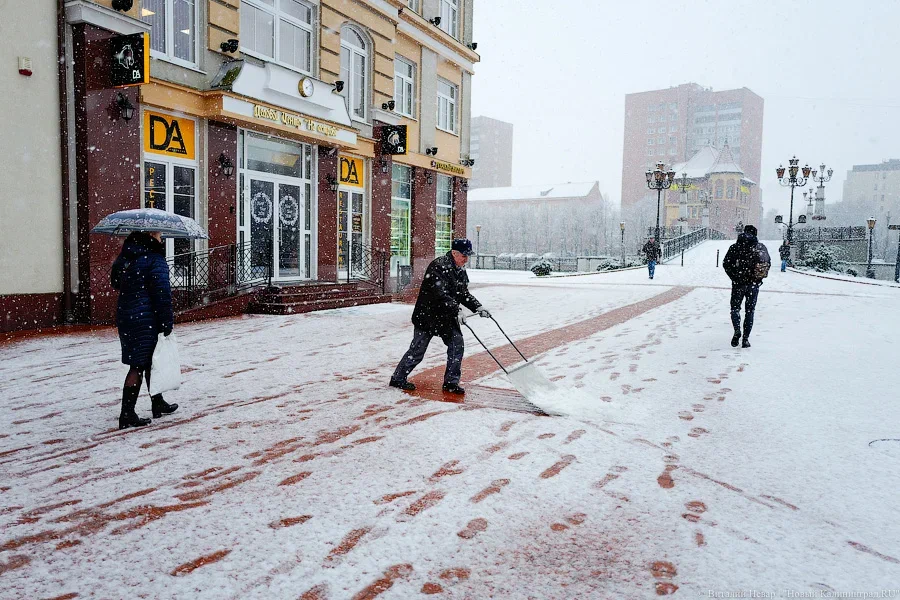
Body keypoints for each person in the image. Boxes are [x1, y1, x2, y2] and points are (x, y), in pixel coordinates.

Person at [390, 239, 489, 395]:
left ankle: (451, 382)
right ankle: (398, 378)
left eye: (468, 256)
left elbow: (462, 293)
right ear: (455, 253)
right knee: (417, 351)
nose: (466, 259)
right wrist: (457, 310)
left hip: (446, 317)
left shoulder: (460, 269)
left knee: (457, 344)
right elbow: (439, 294)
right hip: (428, 316)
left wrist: (478, 306)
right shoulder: (439, 266)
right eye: (464, 256)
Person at [112, 231, 178, 429]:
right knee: (139, 365)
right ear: (151, 235)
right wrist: (166, 323)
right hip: (146, 317)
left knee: (147, 360)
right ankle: (127, 414)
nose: (161, 237)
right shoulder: (155, 259)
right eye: (158, 234)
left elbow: (115, 282)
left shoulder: (126, 257)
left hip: (127, 315)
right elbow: (162, 294)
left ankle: (157, 402)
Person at [723, 225, 771, 348]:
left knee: (735, 309)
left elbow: (726, 263)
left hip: (738, 283)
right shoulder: (760, 247)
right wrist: (758, 278)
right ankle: (745, 339)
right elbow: (766, 264)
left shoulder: (735, 247)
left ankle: (737, 330)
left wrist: (734, 277)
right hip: (753, 284)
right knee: (750, 311)